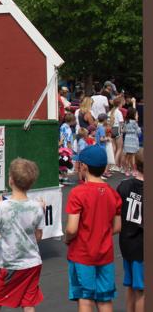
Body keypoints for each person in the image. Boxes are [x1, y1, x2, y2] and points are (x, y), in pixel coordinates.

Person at [65, 146, 122, 311]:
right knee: (105, 298)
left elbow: (72, 229)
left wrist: (68, 239)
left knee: (85, 297)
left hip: (82, 253)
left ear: (84, 166)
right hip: (105, 254)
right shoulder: (113, 193)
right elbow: (117, 227)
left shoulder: (78, 193)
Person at [0, 158, 45, 311]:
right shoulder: (38, 207)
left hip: (11, 264)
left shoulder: (0, 207)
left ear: (10, 180)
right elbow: (38, 237)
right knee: (28, 302)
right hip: (33, 262)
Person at [116, 150, 144, 312]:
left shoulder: (124, 186)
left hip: (127, 243)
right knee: (142, 290)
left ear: (134, 165)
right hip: (142, 246)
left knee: (132, 286)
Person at [122, 108, 142, 176]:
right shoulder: (134, 123)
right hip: (133, 141)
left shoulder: (126, 122)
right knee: (133, 156)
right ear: (133, 115)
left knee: (127, 157)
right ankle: (134, 170)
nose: (138, 116)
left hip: (127, 140)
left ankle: (126, 170)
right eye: (137, 114)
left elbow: (124, 130)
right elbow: (139, 131)